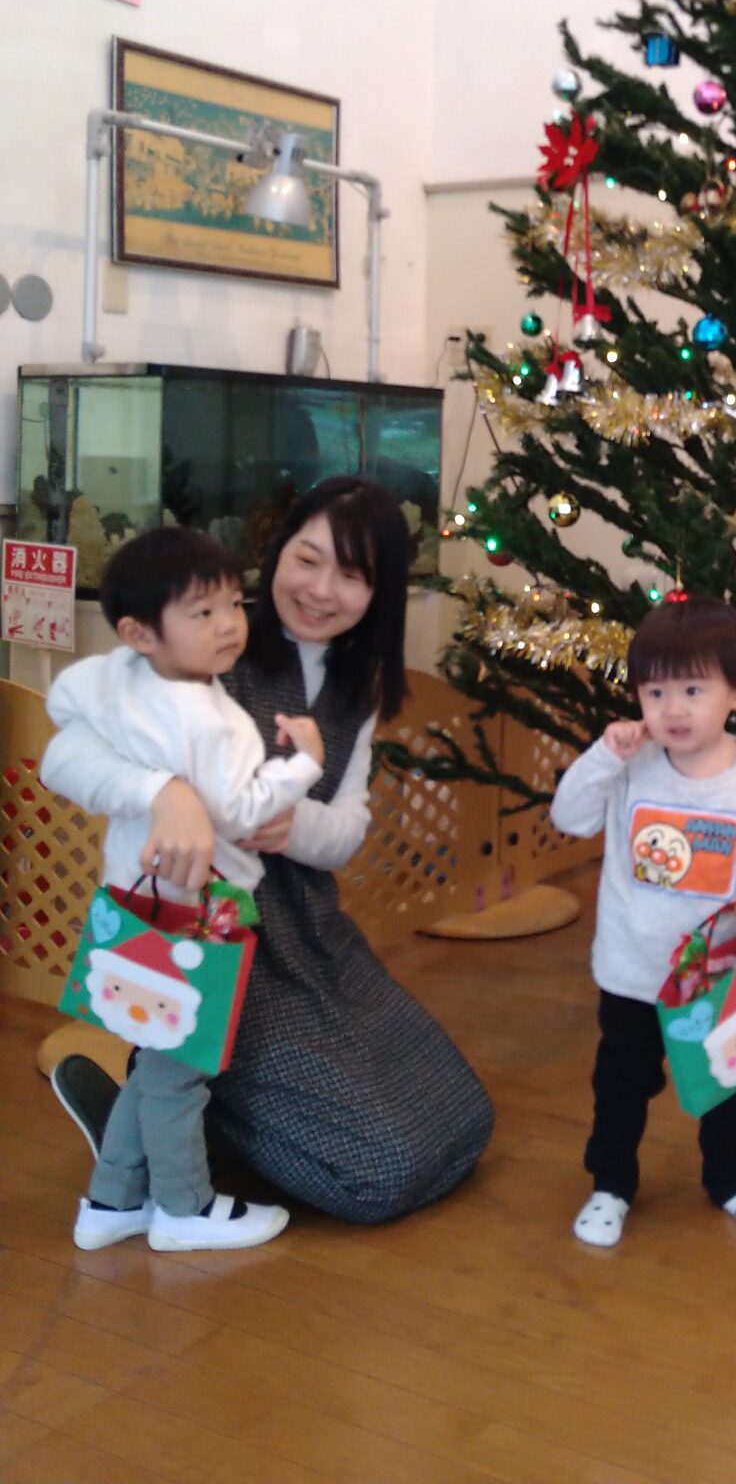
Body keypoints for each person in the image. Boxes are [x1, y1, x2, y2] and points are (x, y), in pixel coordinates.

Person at [43, 477, 494, 1223]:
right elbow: (64, 757)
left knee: (461, 1118)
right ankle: (160, 1112)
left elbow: (346, 831)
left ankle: (155, 1107)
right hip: (215, 937)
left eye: (351, 575)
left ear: (379, 591)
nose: (320, 590)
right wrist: (165, 792)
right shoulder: (204, 636)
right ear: (277, 551)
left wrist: (295, 828)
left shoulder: (359, 684)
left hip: (310, 931)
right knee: (377, 1173)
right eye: (307, 560)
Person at [44, 526, 324, 1252]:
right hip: (201, 916)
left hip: (131, 903)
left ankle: (111, 1201)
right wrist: (301, 766)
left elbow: (65, 718)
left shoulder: (118, 682)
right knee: (181, 1071)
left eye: (233, 603)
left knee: (153, 1059)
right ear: (140, 631)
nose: (229, 624)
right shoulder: (208, 718)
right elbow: (239, 812)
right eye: (203, 612)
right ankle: (183, 1207)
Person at [550, 596, 736, 1248]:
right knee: (619, 1086)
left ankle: (731, 1178)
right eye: (655, 691)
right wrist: (603, 756)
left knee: (725, 1084)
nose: (672, 709)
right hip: (631, 971)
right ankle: (611, 1185)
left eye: (693, 690)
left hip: (718, 975)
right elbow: (569, 818)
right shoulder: (630, 765)